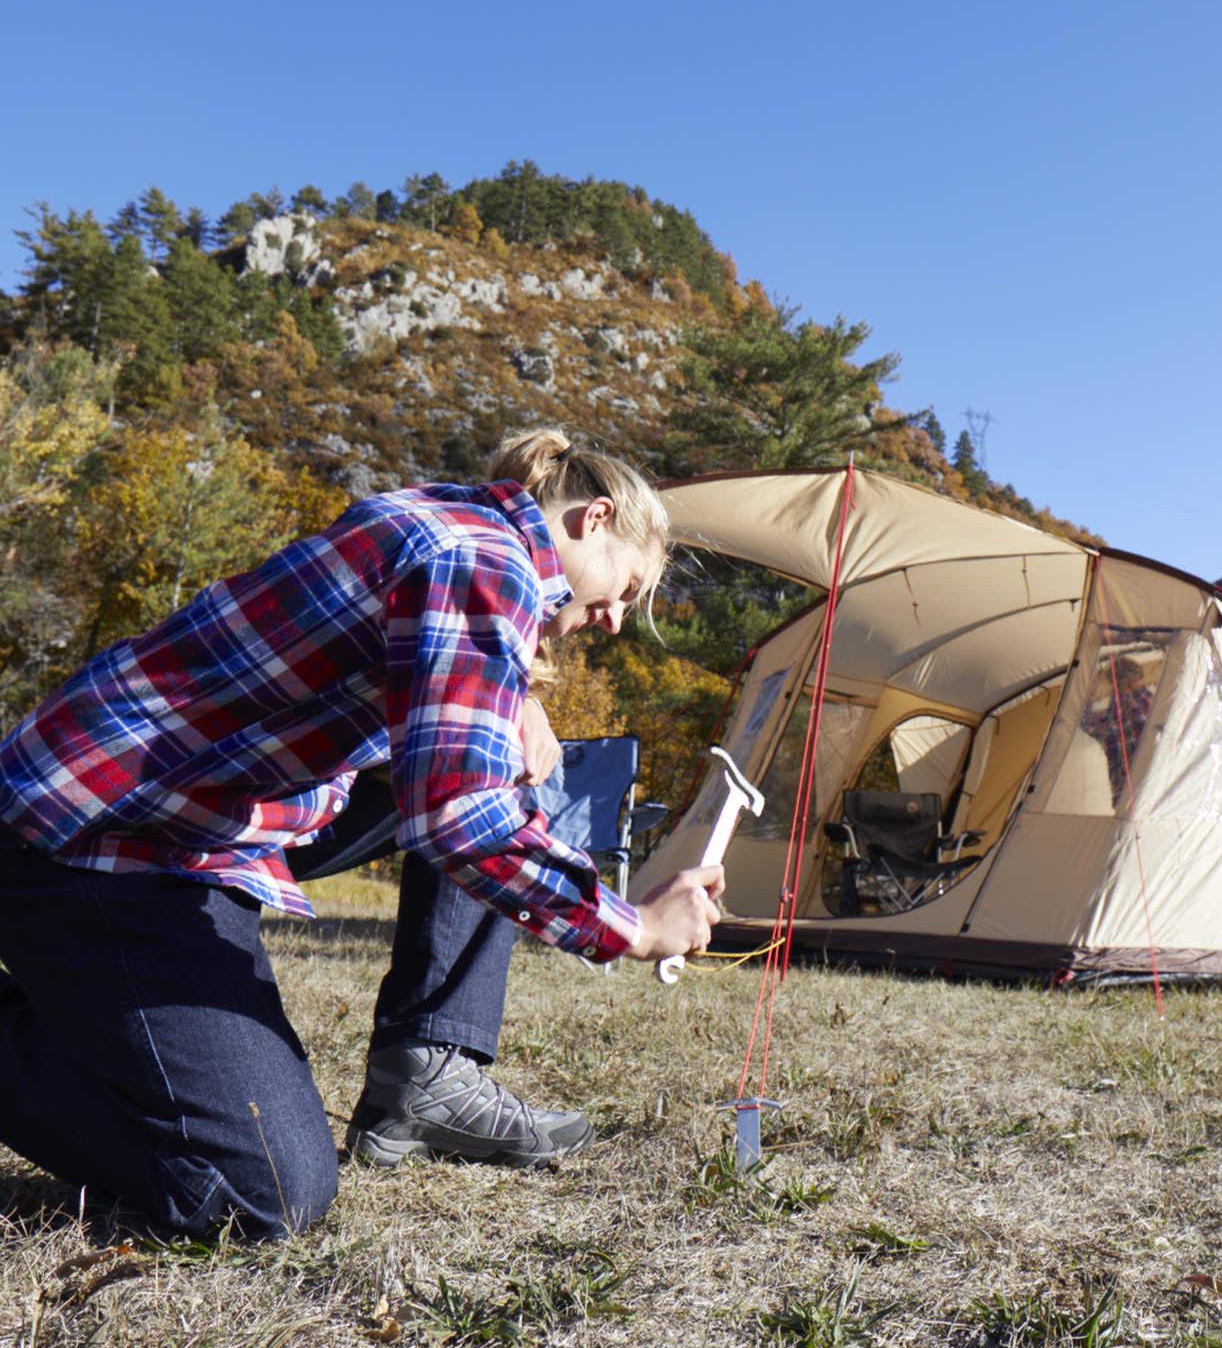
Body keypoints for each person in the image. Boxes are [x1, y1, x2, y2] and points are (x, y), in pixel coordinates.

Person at [0, 428, 723, 1241]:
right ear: (593, 518)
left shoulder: (455, 528)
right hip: (102, 837)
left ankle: (426, 1073)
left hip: (188, 812)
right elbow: (460, 818)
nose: (616, 621)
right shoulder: (483, 563)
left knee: (512, 760)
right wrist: (636, 929)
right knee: (265, 1191)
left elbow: (424, 742)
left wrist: (511, 702)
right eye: (627, 588)